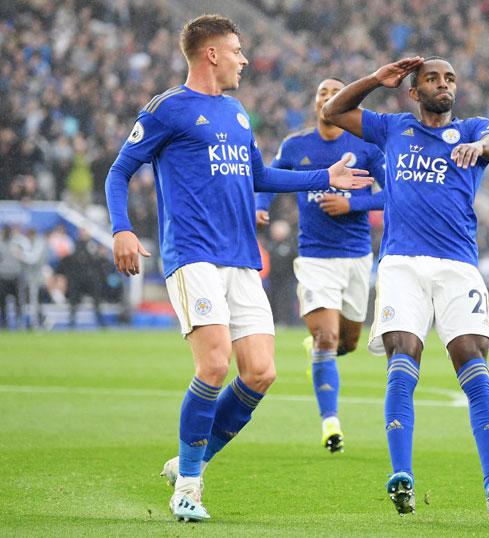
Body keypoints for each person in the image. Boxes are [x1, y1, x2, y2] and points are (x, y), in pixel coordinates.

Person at [104, 15, 371, 522]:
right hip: (193, 255)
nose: (244, 60)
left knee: (261, 372)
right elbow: (120, 170)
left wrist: (325, 174)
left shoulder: (237, 112)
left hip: (241, 258)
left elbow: (261, 175)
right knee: (213, 365)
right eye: (237, 50)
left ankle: (190, 460)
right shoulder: (169, 109)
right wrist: (121, 228)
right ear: (211, 54)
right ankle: (188, 487)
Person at [323, 56, 489, 518]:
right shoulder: (393, 129)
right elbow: (333, 111)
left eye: (450, 77)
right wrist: (375, 79)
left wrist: (483, 148)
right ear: (414, 91)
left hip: (458, 265)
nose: (442, 84)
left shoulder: (472, 129)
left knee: (472, 359)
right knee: (403, 354)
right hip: (401, 264)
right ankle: (401, 475)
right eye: (432, 78)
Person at [256, 78, 386, 453]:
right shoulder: (296, 145)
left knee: (347, 342)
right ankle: (331, 423)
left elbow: (394, 192)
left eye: (335, 93)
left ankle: (320, 351)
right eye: (322, 94)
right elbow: (269, 176)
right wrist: (261, 205)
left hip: (357, 257)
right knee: (326, 338)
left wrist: (353, 205)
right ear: (315, 105)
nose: (328, 98)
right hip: (314, 258)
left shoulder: (364, 146)